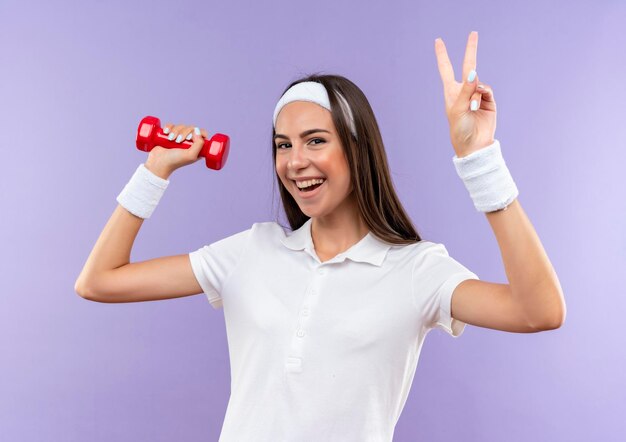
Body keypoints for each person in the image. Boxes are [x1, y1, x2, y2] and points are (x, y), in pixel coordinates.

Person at [75, 31, 566, 442]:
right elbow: (99, 281)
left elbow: (538, 311)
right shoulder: (251, 252)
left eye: (316, 140)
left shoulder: (416, 270)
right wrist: (155, 170)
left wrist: (479, 161)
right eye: (283, 145)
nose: (294, 161)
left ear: (356, 148)